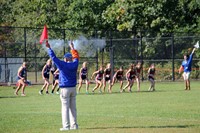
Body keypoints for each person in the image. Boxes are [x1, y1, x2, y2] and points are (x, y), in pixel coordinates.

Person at [46, 41, 79, 131]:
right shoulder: (75, 63)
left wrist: (49, 48)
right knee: (73, 108)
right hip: (73, 88)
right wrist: (72, 48)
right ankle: (75, 125)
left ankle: (66, 126)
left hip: (65, 88)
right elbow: (76, 57)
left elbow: (53, 57)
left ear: (65, 59)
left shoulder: (63, 65)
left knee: (65, 108)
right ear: (71, 58)